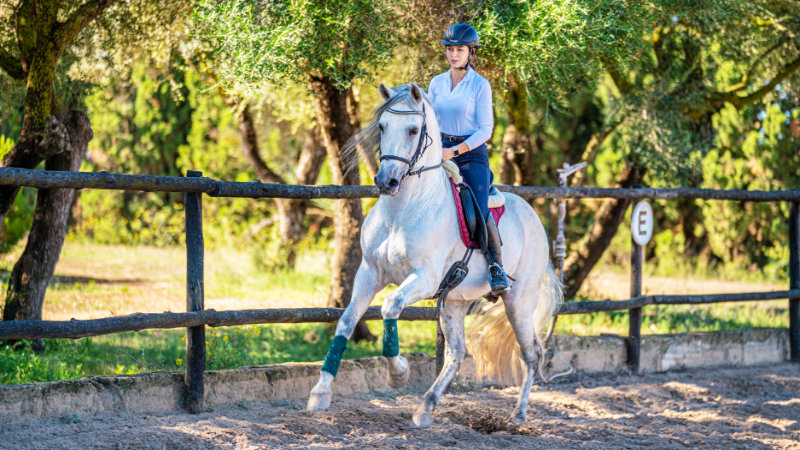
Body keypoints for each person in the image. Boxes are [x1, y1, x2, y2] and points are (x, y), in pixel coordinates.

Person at [427, 23, 509, 295]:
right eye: (450, 49)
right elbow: (430, 119)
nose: (453, 54)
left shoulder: (480, 85)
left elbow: (486, 130)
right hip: (438, 150)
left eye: (459, 50)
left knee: (478, 206)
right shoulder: (437, 82)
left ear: (470, 52)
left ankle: (496, 266)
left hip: (470, 155)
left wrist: (455, 151)